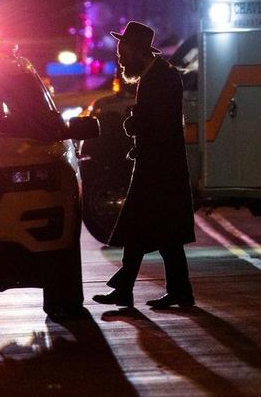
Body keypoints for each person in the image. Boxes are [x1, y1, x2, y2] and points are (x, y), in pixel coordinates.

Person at [93, 21, 196, 309]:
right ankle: (174, 291)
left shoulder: (161, 78)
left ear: (138, 52)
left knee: (146, 230)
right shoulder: (157, 75)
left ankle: (133, 289)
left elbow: (161, 124)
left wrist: (133, 123)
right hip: (156, 167)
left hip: (160, 170)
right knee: (159, 233)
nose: (119, 59)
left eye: (122, 53)